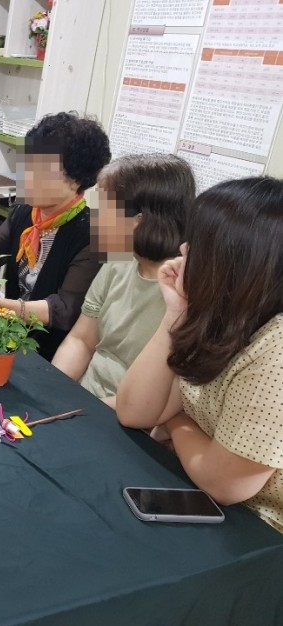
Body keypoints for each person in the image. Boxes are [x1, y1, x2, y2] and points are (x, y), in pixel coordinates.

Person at [116, 177, 283, 533]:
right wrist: (175, 314)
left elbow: (226, 484)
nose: (183, 248)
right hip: (195, 489)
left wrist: (175, 423)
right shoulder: (222, 314)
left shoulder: (276, 348)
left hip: (258, 531)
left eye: (198, 243)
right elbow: (134, 412)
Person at [0, 112, 112, 360]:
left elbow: (63, 310)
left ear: (75, 180)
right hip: (8, 337)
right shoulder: (24, 213)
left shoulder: (93, 234)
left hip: (49, 353)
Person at [52, 154, 194, 406]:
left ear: (138, 222)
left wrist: (84, 410)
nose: (94, 218)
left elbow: (156, 400)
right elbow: (81, 340)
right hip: (82, 397)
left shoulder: (183, 290)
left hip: (127, 413)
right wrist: (53, 390)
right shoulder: (119, 260)